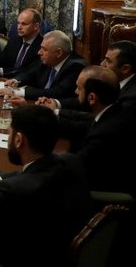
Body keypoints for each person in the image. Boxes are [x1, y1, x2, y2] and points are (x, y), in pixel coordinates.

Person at [0, 105, 91, 266]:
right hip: (64, 248)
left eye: (9, 133)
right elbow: (36, 172)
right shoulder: (70, 160)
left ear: (18, 140)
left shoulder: (18, 191)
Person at [45, 66, 136, 196]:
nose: (76, 92)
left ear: (92, 98)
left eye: (79, 88)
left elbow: (74, 166)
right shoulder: (116, 111)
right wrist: (49, 112)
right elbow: (83, 121)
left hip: (101, 193)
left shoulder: (105, 133)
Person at [38, 40, 136, 110]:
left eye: (108, 61)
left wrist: (56, 112)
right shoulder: (112, 81)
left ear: (125, 69)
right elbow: (83, 101)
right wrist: (55, 103)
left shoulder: (131, 97)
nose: (102, 64)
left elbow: (94, 120)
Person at [0, 30, 87, 102]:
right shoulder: (50, 59)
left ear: (59, 53)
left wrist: (17, 92)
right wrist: (16, 81)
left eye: (44, 49)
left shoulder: (75, 67)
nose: (39, 52)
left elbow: (57, 92)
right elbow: (30, 72)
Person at [0, 8, 43, 77]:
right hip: (5, 80)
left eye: (24, 24)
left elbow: (27, 71)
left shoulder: (43, 46)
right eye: (18, 23)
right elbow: (2, 59)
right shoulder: (14, 40)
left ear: (36, 26)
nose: (19, 27)